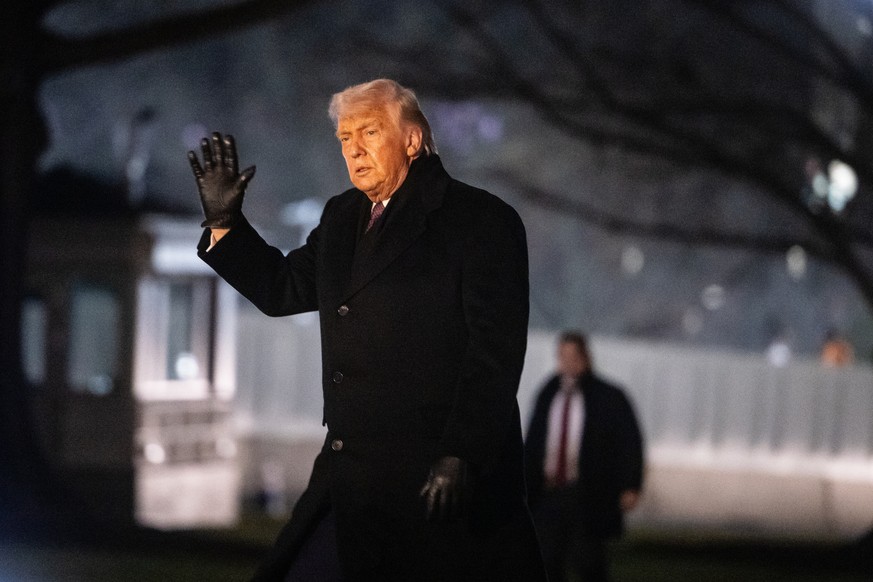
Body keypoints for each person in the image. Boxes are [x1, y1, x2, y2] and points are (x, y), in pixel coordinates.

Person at [187, 79, 546, 582]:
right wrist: (226, 222)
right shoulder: (341, 216)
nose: (352, 149)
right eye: (344, 138)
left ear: (412, 141)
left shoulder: (481, 221)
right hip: (349, 474)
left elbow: (496, 353)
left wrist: (461, 451)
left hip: (434, 480)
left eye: (369, 132)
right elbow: (283, 289)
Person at [524, 331, 644, 582]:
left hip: (588, 494)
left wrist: (631, 484)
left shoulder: (608, 397)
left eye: (573, 356)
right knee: (546, 559)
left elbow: (629, 443)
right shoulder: (549, 392)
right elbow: (534, 441)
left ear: (585, 357)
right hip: (549, 493)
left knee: (589, 561)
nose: (567, 363)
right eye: (562, 356)